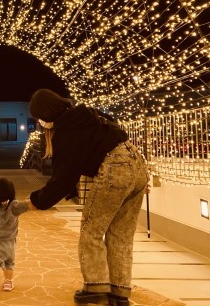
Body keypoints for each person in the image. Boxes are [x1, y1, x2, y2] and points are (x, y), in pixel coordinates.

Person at [25, 89, 148, 306]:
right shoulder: (87, 114)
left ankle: (95, 288)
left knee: (91, 230)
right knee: (120, 234)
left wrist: (37, 201)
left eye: (39, 117)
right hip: (137, 164)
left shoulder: (67, 131)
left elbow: (62, 178)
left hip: (116, 169)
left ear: (46, 114)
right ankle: (119, 292)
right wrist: (136, 178)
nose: (40, 122)